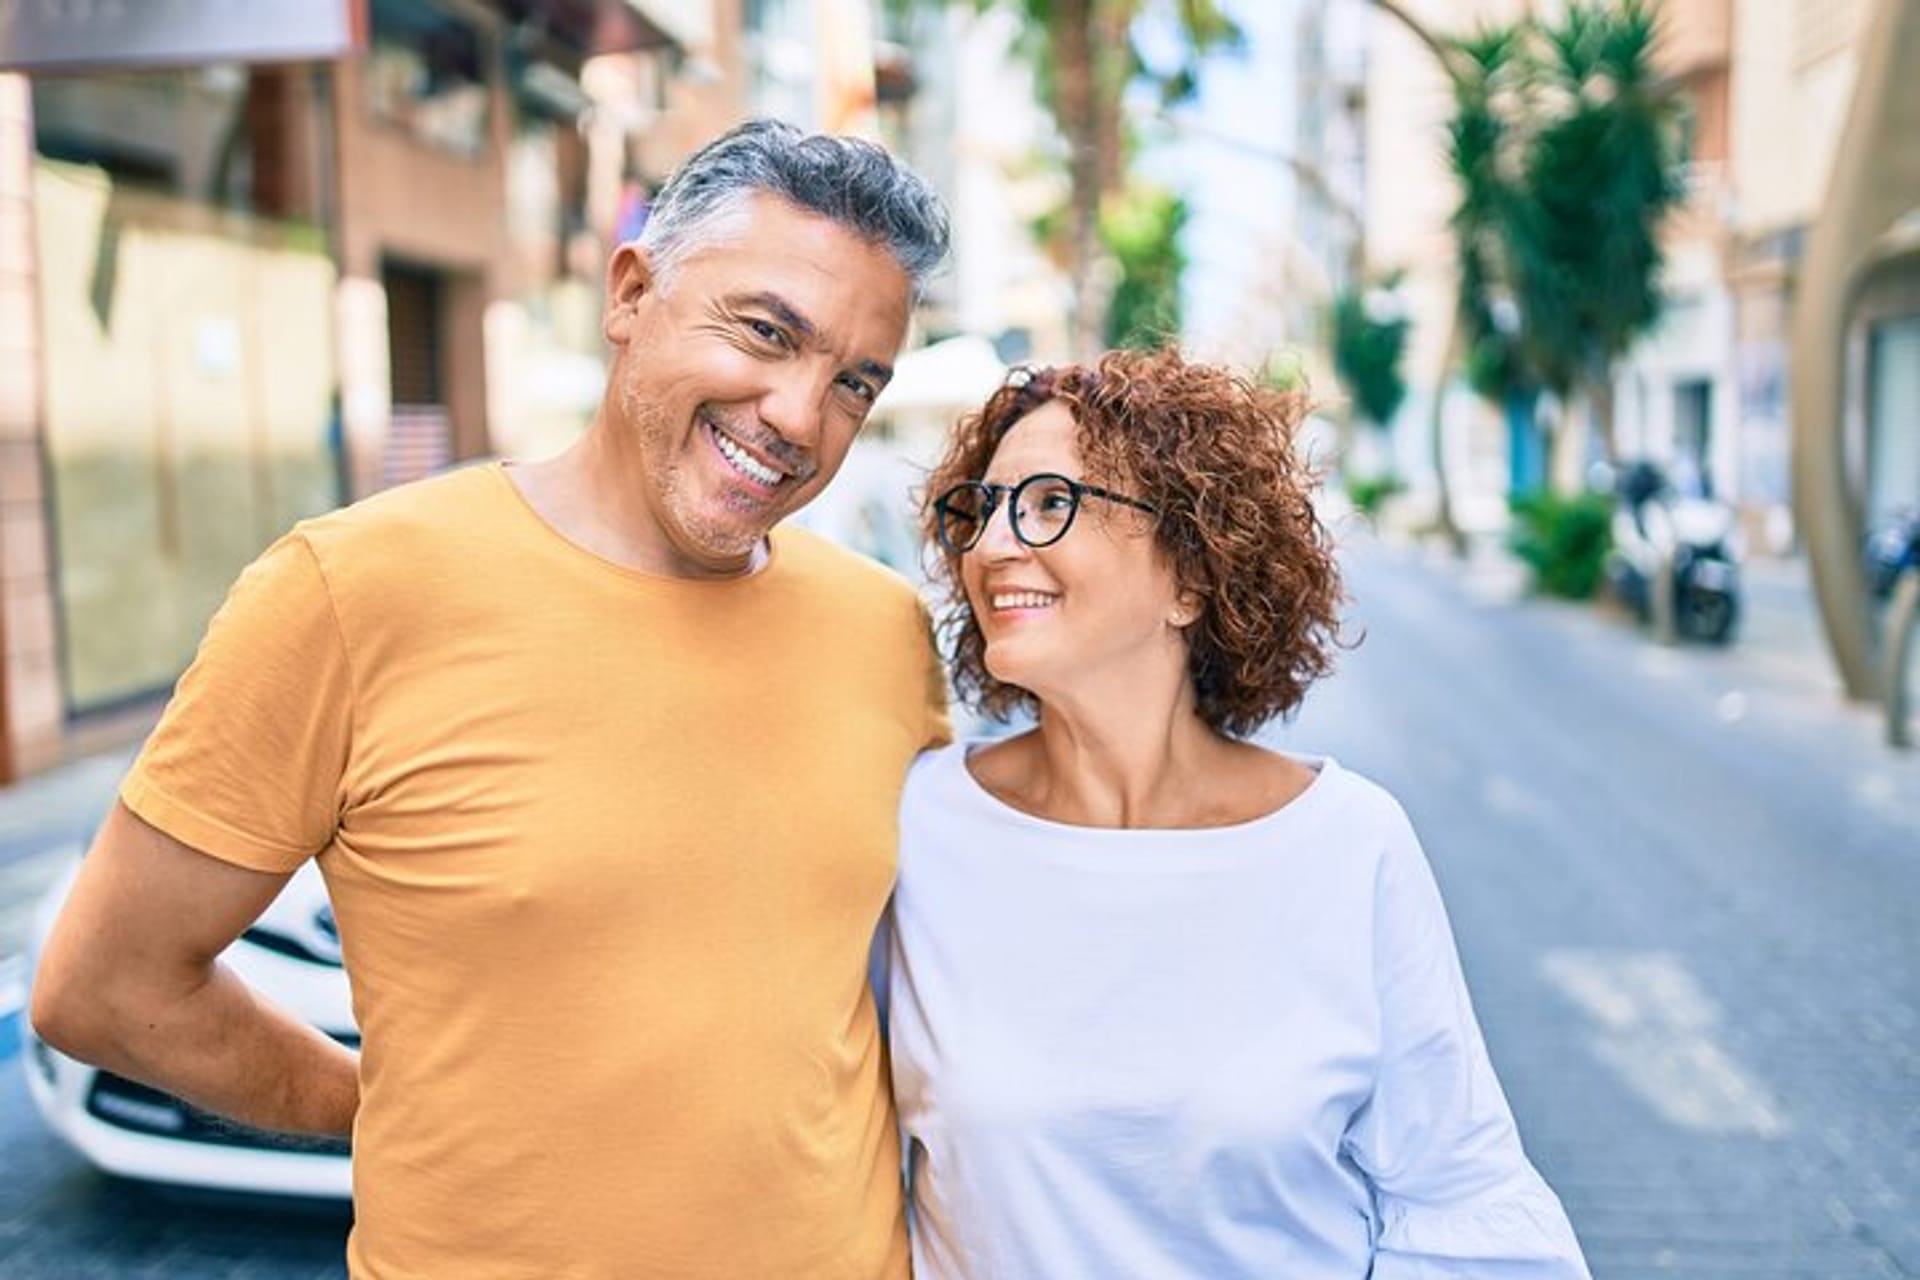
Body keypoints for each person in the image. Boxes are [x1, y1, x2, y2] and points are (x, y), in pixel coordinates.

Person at [31, 120, 951, 1279]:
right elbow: (103, 987)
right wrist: (385, 1105)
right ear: (630, 293)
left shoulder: (885, 632)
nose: (800, 417)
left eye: (854, 381)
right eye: (767, 332)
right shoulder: (346, 593)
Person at [885, 349, 1592, 1278]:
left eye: (1052, 503)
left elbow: (1463, 1202)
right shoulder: (919, 826)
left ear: (1192, 574)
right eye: (979, 509)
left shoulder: (1346, 844)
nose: (992, 546)